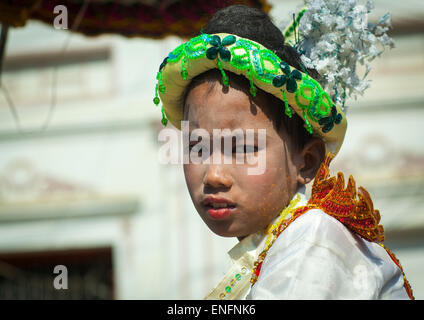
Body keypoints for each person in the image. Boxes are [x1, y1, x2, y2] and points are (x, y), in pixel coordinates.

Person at [152, 4, 414, 299]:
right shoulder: (279, 244)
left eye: (242, 148)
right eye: (197, 148)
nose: (214, 175)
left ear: (307, 161)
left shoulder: (315, 244)